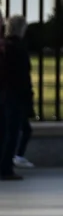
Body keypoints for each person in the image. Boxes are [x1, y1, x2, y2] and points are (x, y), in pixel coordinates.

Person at [1, 15, 33, 183]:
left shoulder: (4, 47)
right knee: (12, 133)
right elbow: (23, 78)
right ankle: (6, 168)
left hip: (4, 93)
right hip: (15, 95)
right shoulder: (19, 49)